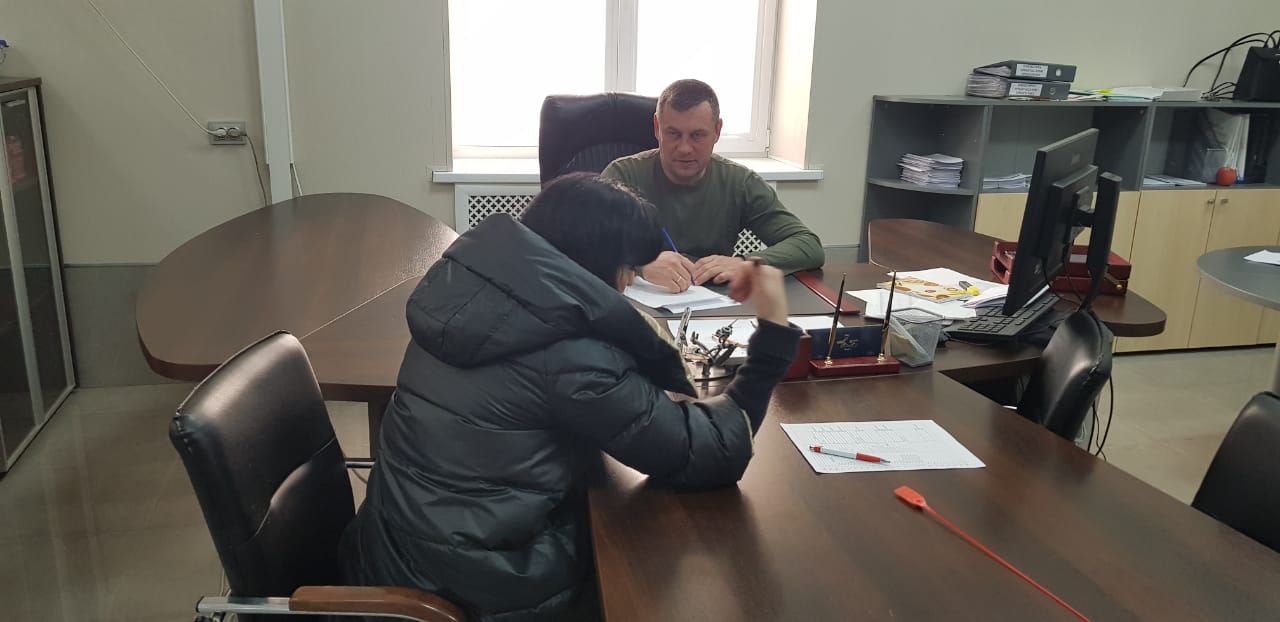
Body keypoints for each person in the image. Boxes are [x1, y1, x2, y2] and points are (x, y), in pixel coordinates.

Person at [338, 172, 803, 622]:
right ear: (598, 265)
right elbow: (708, 451)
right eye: (628, 269)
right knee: (658, 569)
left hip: (390, 548)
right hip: (475, 581)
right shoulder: (571, 356)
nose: (628, 283)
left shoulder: (462, 297)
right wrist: (773, 336)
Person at [602, 78, 824, 293]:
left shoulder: (739, 182)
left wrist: (745, 264)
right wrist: (639, 265)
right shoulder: (622, 176)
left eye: (697, 135)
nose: (684, 148)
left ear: (717, 131)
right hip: (635, 307)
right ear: (657, 128)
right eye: (673, 134)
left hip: (713, 306)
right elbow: (584, 244)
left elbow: (808, 245)